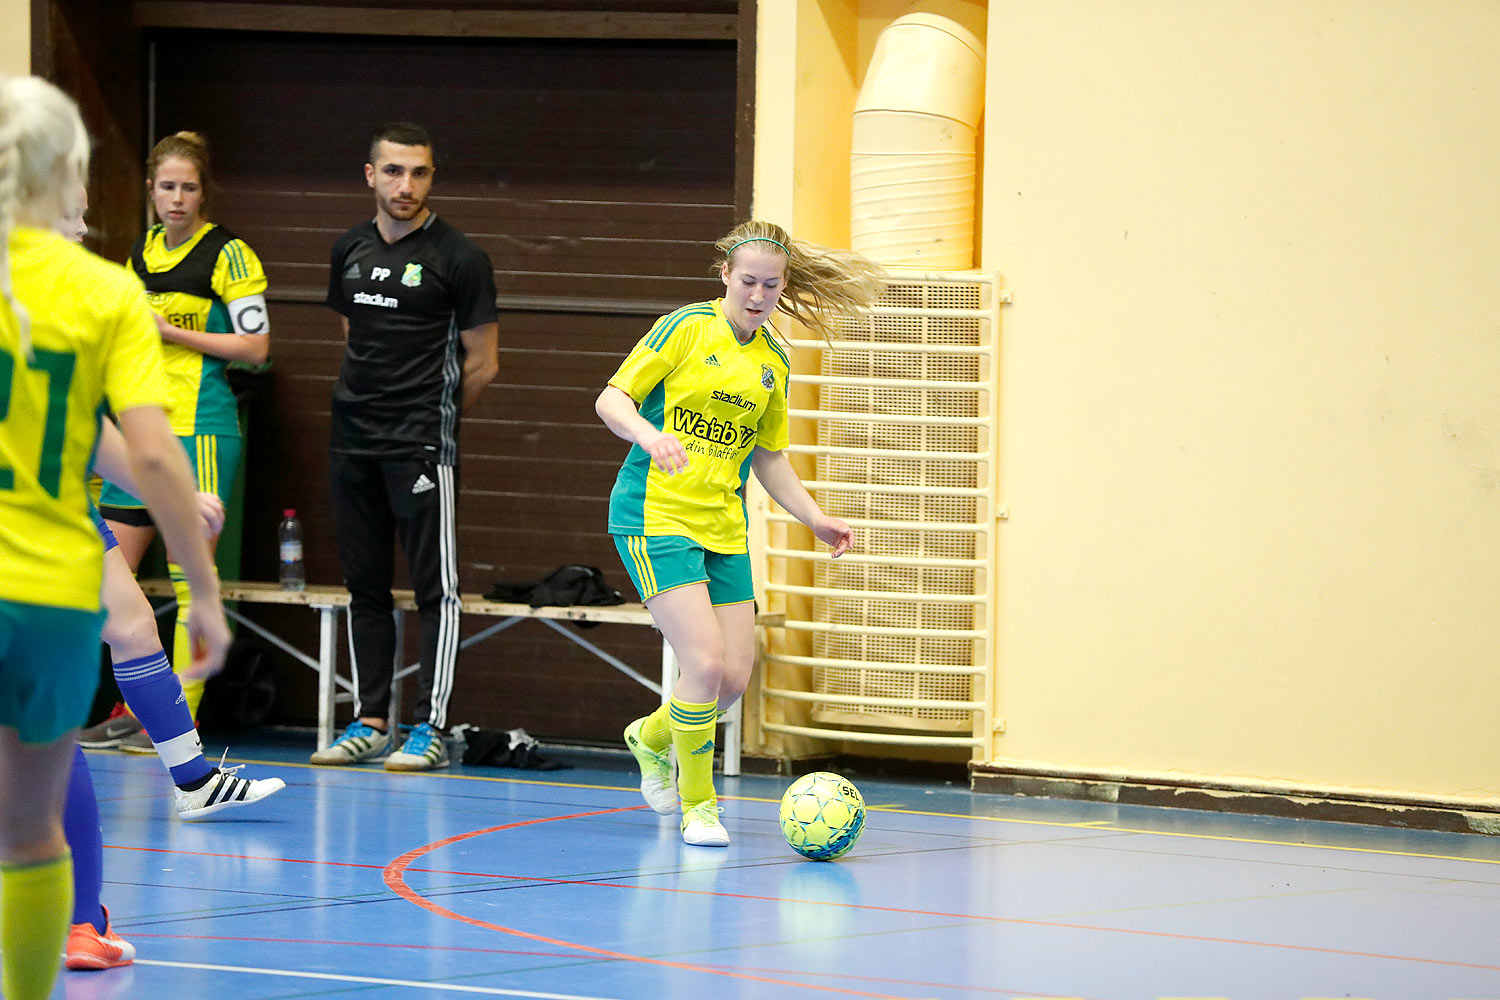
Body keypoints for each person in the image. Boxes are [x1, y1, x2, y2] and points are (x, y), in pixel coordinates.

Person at [0, 76, 231, 1000]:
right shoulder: (103, 292)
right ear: (72, 176)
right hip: (48, 586)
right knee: (30, 820)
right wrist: (204, 586)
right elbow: (153, 454)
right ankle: (69, 940)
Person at [596, 220, 883, 846]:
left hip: (723, 527)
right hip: (655, 516)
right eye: (747, 281)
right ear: (725, 275)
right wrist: (649, 434)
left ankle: (649, 736)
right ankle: (699, 806)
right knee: (701, 663)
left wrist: (814, 516)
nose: (757, 295)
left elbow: (768, 457)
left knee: (731, 680)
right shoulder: (686, 328)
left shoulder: (774, 359)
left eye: (770, 286)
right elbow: (611, 400)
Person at [53, 187, 279, 976]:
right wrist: (178, 496)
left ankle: (187, 779)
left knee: (124, 637)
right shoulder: (68, 303)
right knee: (41, 732)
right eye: (70, 207)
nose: (85, 224)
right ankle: (82, 919)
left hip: (50, 525)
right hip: (35, 532)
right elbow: (107, 438)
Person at [311, 122, 498, 772]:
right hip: (351, 442)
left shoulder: (460, 258)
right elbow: (352, 334)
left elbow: (483, 363)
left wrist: (429, 419)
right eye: (393, 171)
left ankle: (430, 726)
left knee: (434, 589)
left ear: (431, 178)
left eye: (418, 172)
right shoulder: (349, 249)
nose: (405, 185)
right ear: (371, 175)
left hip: (420, 446)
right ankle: (369, 721)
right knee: (364, 584)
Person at [96, 131, 270, 724]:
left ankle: (179, 719)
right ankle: (132, 706)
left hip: (202, 430)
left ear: (203, 193)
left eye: (188, 188)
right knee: (105, 575)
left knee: (188, 577)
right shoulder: (139, 254)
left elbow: (256, 346)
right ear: (151, 191)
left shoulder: (229, 254)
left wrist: (172, 333)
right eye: (167, 187)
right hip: (138, 430)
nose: (177, 199)